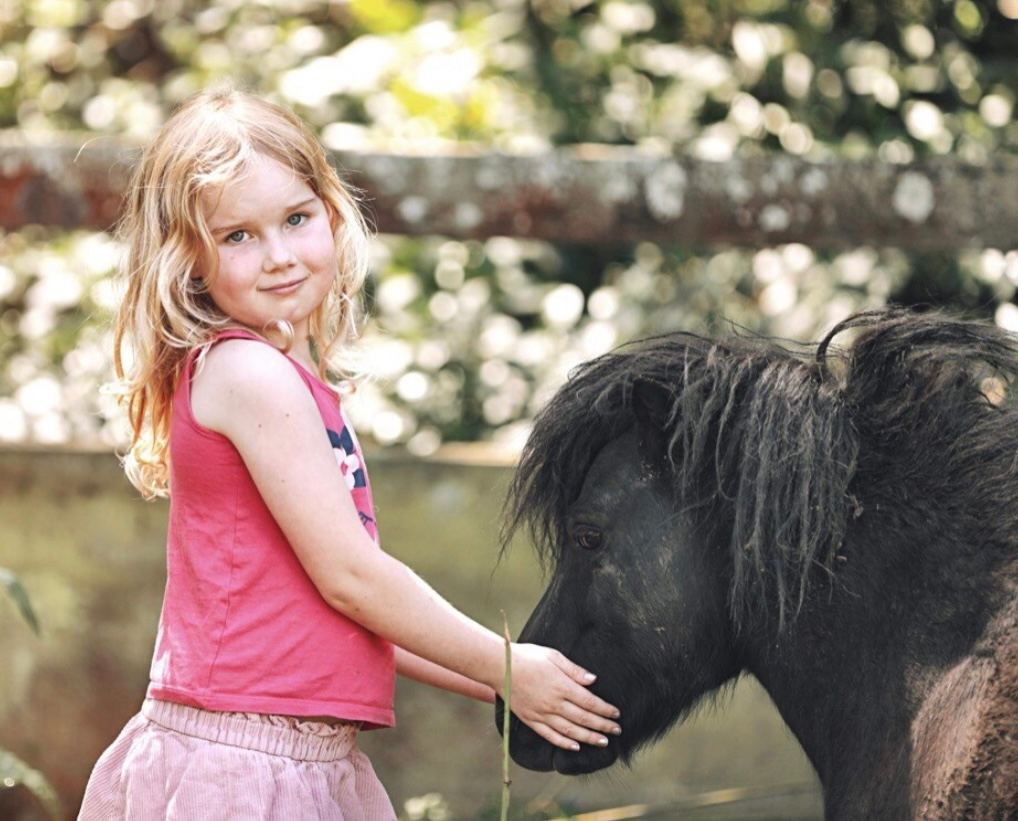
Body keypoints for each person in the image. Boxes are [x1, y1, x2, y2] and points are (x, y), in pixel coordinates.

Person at [78, 86, 621, 820]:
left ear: (330, 215)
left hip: (299, 756)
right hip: (245, 763)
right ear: (190, 261)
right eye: (237, 235)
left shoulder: (288, 381)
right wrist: (506, 665)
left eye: (296, 220)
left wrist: (506, 680)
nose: (278, 257)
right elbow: (352, 578)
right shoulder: (250, 375)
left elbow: (354, 613)